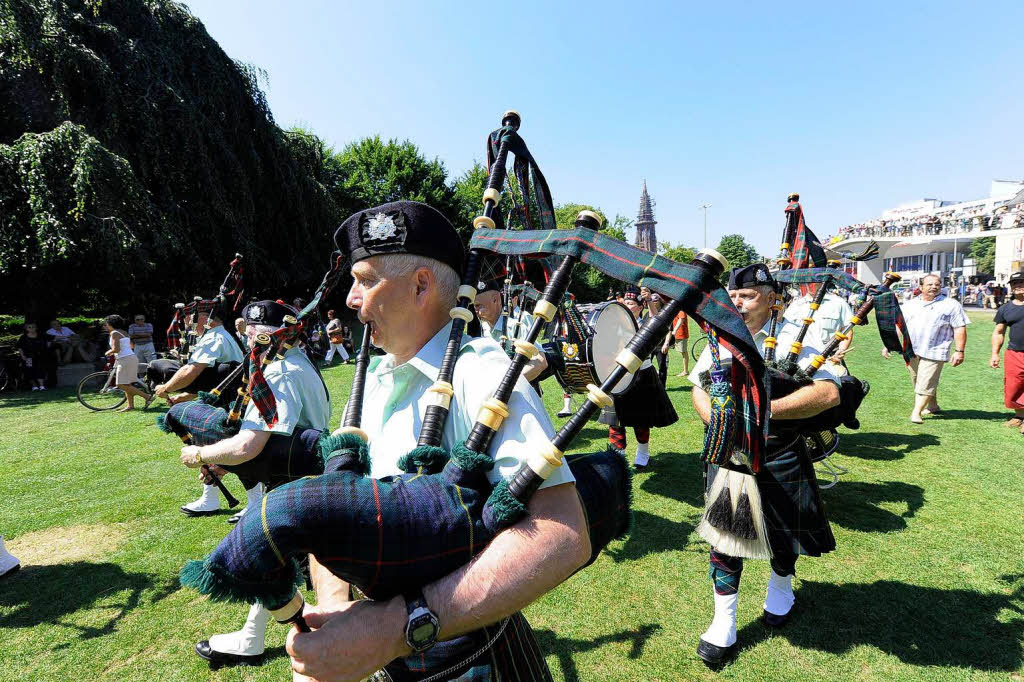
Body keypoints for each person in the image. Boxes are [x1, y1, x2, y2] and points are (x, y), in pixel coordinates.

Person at [286, 201, 589, 681]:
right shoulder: (378, 378)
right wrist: (337, 613)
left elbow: (562, 532)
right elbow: (337, 508)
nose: (350, 298)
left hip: (474, 662)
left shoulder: (483, 373)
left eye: (365, 280)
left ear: (421, 285)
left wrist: (398, 627)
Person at [689, 264, 841, 665]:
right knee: (726, 536)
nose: (738, 302)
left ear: (773, 298)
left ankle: (781, 587)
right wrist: (715, 416)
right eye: (734, 294)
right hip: (731, 453)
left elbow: (828, 394)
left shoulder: (795, 338)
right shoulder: (719, 336)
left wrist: (762, 412)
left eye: (749, 295)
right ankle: (724, 622)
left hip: (780, 450)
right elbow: (697, 388)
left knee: (783, 528)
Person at [182, 299, 331, 667]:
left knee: (265, 557)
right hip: (301, 473)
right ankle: (262, 633)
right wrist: (223, 464)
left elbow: (251, 445)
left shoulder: (278, 374)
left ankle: (253, 641)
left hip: (293, 481)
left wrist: (202, 454)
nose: (247, 337)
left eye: (252, 331)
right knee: (280, 557)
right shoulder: (295, 362)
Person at [158, 303, 246, 516]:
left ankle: (254, 500)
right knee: (210, 448)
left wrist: (166, 387)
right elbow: (214, 380)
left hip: (231, 405)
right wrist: (185, 396)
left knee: (234, 449)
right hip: (223, 400)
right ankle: (211, 498)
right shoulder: (221, 336)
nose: (189, 324)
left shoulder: (214, 337)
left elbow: (192, 370)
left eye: (192, 318)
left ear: (207, 319)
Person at [598, 286, 678, 468]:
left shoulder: (646, 324)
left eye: (631, 303)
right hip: (617, 375)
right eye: (625, 302)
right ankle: (618, 457)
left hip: (642, 376)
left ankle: (643, 453)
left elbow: (657, 323)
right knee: (616, 420)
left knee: (641, 419)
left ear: (640, 307)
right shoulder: (615, 324)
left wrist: (650, 300)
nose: (627, 306)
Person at [886, 273, 969, 423]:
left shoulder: (951, 304)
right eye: (929, 284)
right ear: (921, 287)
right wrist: (889, 344)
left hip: (936, 350)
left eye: (937, 284)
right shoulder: (910, 304)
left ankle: (916, 412)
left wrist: (959, 351)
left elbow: (959, 328)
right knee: (919, 380)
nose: (934, 287)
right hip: (911, 350)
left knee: (926, 381)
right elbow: (900, 325)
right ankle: (933, 406)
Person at [473, 278, 548, 382]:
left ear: (495, 300)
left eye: (478, 305)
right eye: (474, 306)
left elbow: (540, 361)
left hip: (517, 393)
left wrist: (507, 384)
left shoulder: (514, 326)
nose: (475, 310)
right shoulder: (483, 329)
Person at [991, 269, 1024, 433]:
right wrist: (995, 353)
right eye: (1015, 283)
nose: (1018, 286)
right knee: (1014, 385)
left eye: (1021, 282)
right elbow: (999, 332)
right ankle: (1019, 416)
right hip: (1014, 353)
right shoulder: (1005, 309)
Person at [103, 315, 153, 412]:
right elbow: (131, 345)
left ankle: (147, 397)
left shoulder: (114, 333)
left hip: (125, 359)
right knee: (127, 384)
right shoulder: (124, 332)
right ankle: (130, 406)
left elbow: (116, 349)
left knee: (121, 384)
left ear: (109, 324)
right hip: (130, 357)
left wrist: (108, 352)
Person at [16, 322, 49, 391]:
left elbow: (51, 339)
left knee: (40, 370)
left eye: (33, 327)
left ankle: (42, 386)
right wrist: (22, 356)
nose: (31, 329)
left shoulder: (41, 335)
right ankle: (34, 386)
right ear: (26, 329)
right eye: (29, 327)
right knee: (30, 371)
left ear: (36, 328)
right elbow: (19, 347)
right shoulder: (23, 337)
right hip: (28, 357)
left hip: (40, 356)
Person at [670, 308, 691, 376]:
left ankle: (685, 371)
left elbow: (681, 318)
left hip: (680, 334)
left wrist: (675, 330)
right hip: (674, 333)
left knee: (683, 352)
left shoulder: (681, 308)